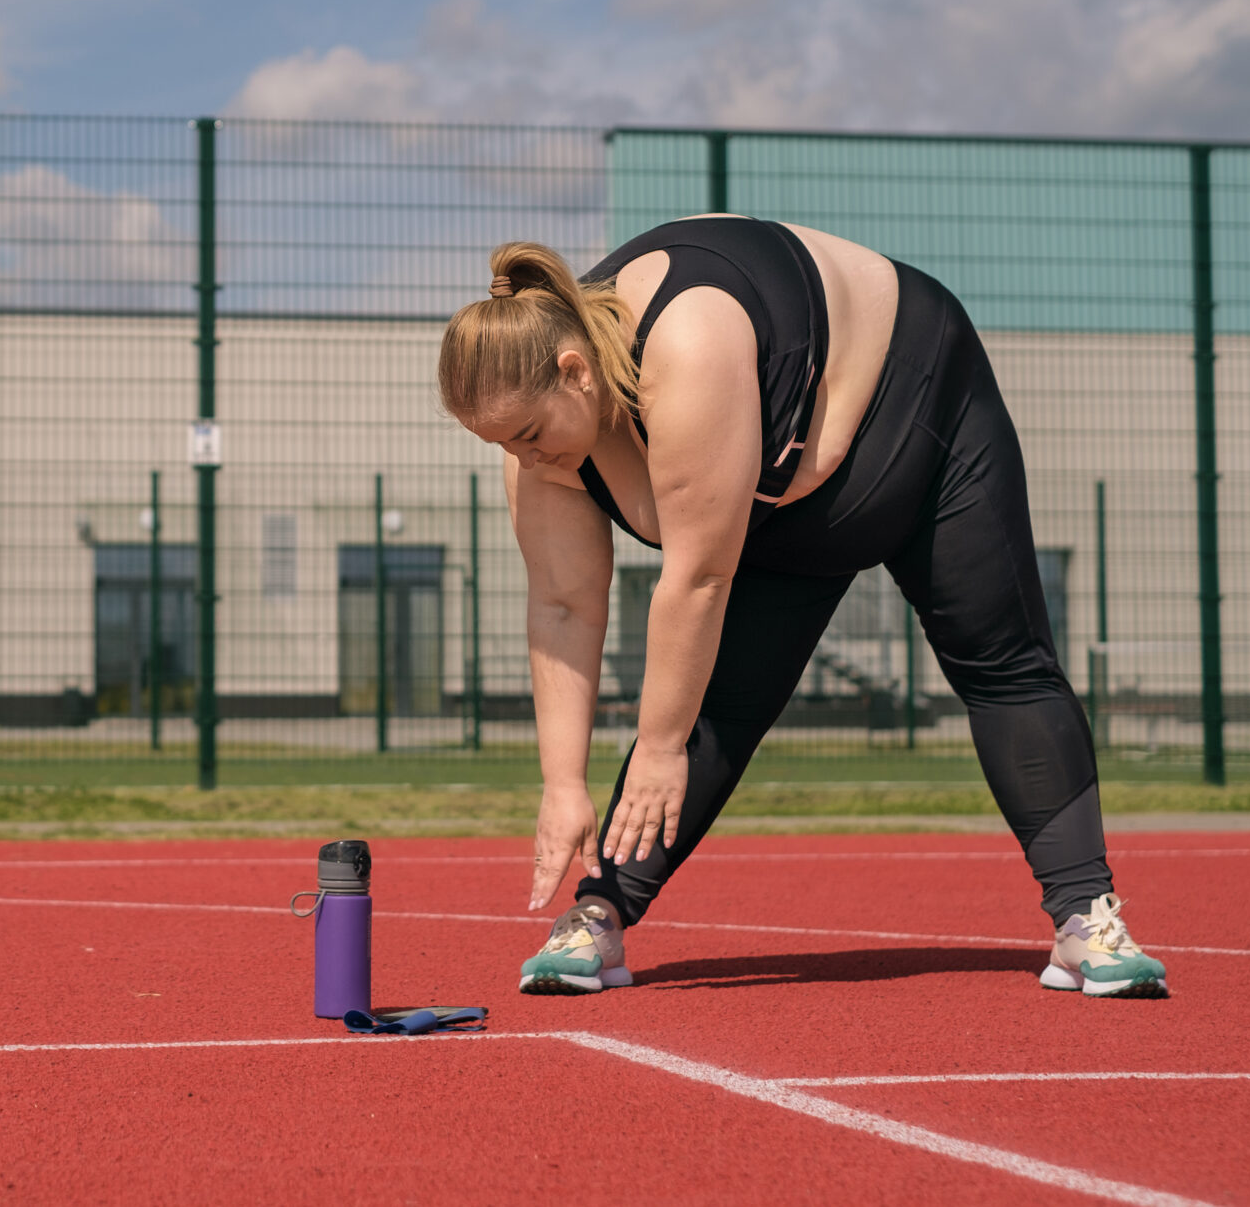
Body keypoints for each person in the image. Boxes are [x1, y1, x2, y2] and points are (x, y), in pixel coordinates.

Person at [436, 220, 1168, 999]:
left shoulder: (685, 345)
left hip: (915, 412)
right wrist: (562, 782)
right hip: (784, 494)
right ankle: (599, 915)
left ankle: (1085, 918)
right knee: (710, 707)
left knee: (1002, 663)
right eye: (501, 446)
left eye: (528, 435)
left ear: (575, 370)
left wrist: (655, 748)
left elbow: (697, 580)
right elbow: (560, 609)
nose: (524, 459)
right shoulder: (543, 456)